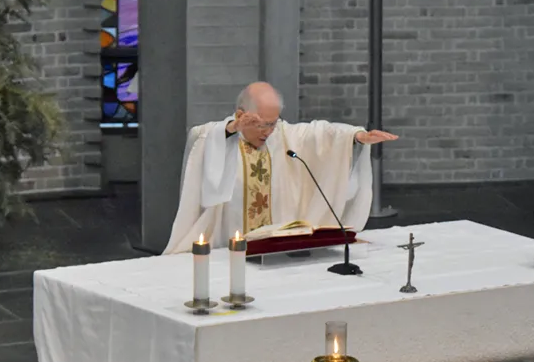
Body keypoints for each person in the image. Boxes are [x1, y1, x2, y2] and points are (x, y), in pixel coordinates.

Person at [163, 82, 397, 254]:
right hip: (228, 249)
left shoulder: (283, 136)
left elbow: (320, 133)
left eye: (273, 123)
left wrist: (355, 136)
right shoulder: (217, 136)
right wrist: (233, 128)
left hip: (276, 251)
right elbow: (201, 137)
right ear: (241, 115)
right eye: (262, 125)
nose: (268, 132)